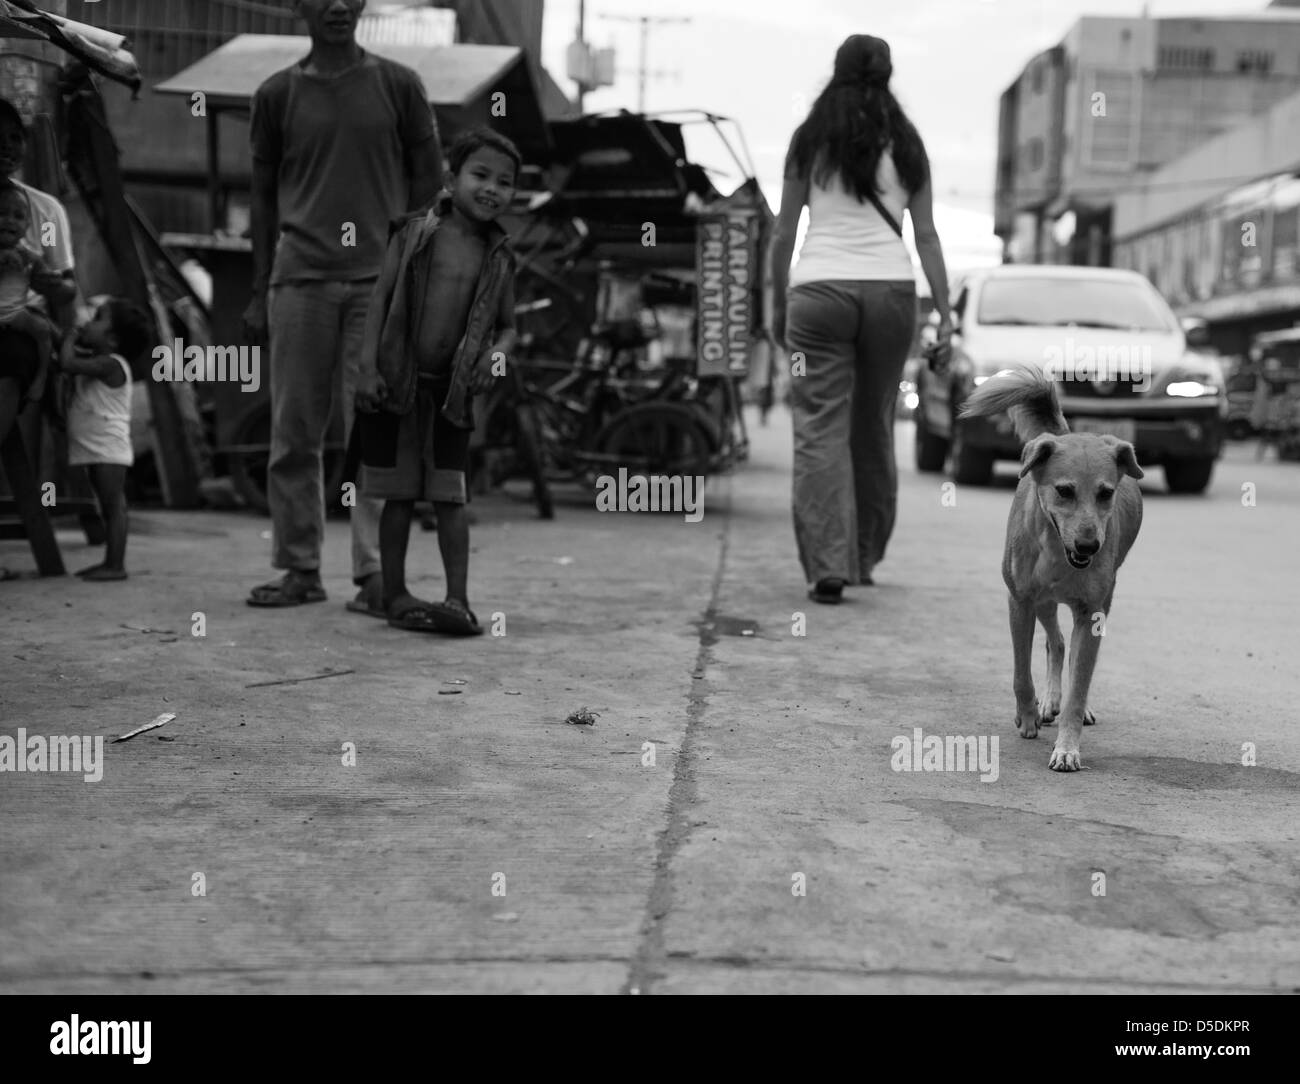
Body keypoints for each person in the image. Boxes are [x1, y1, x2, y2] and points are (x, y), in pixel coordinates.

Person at [243, 0, 443, 610]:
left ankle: (375, 574)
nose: (336, 6)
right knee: (295, 432)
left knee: (375, 432)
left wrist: (408, 267)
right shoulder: (276, 94)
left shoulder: (399, 85)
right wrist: (257, 289)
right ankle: (300, 568)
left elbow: (428, 179)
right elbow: (260, 198)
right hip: (299, 278)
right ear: (299, 6)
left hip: (377, 285)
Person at [767, 34, 953, 604]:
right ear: (889, 75)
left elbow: (783, 230)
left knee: (820, 426)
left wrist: (777, 304)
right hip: (891, 295)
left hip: (818, 294)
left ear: (837, 71)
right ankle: (864, 556)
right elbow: (924, 234)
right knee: (872, 426)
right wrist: (945, 312)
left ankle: (828, 564)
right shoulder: (908, 143)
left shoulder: (810, 137)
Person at [354, 128, 519, 635]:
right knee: (398, 496)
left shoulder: (500, 254)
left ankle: (457, 600)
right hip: (398, 384)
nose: (492, 188)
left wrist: (495, 358)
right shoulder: (413, 232)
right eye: (481, 175)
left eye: (505, 182)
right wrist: (366, 367)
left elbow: (510, 327)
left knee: (451, 497)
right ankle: (396, 595)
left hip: (454, 394)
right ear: (452, 178)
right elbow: (379, 299)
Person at [56, 297, 152, 580]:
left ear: (112, 340)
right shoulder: (100, 360)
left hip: (109, 448)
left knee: (113, 506)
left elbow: (67, 363)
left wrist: (70, 334)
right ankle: (110, 561)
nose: (88, 321)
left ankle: (115, 565)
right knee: (107, 505)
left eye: (97, 318)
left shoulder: (111, 364)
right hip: (99, 448)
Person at [0, 98, 78, 448]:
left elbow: (65, 288)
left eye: (15, 137)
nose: (6, 146)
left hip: (15, 326)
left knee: (15, 356)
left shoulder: (45, 212)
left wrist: (51, 285)